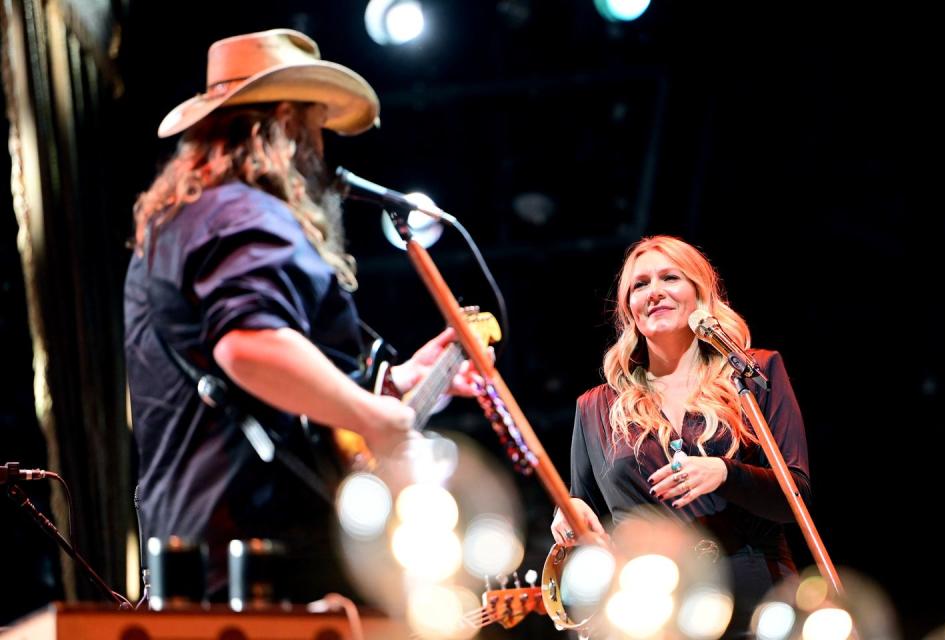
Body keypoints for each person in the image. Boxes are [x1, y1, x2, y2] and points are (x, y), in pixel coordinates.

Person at [125, 28, 476, 602]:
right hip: (267, 553)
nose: (322, 152)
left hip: (206, 549)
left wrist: (394, 383)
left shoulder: (187, 219)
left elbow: (263, 384)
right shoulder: (244, 213)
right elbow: (248, 348)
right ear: (286, 122)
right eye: (316, 128)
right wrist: (373, 416)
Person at [550, 235, 810, 637]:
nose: (654, 292)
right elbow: (583, 509)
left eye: (669, 278)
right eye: (640, 285)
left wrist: (726, 474)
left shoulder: (752, 374)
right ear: (629, 309)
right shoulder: (596, 408)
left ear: (699, 294)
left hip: (755, 598)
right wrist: (569, 517)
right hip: (651, 611)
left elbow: (795, 497)